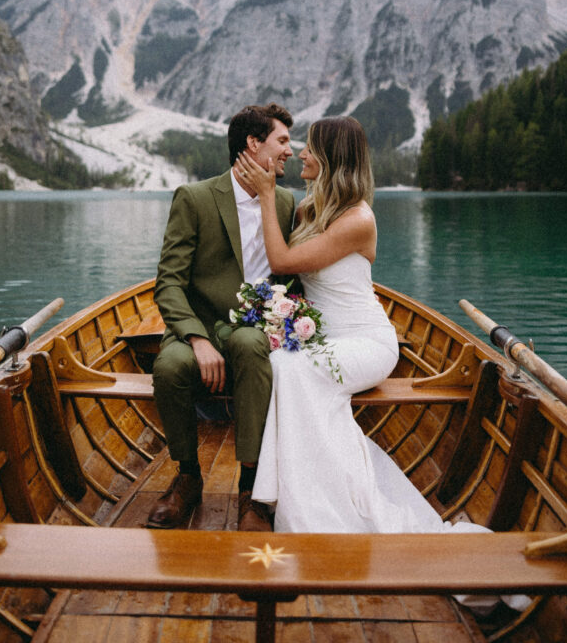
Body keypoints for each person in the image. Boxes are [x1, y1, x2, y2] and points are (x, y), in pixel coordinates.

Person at [236, 115, 530, 615]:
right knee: (287, 365)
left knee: (293, 370)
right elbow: (290, 275)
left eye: (311, 150)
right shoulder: (310, 208)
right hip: (326, 340)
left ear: (330, 159)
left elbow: (284, 262)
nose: (302, 155)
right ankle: (285, 494)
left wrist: (266, 195)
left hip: (368, 343)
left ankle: (274, 499)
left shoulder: (359, 218)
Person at [148, 103, 296, 532]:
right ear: (254, 144)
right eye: (282, 141)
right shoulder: (194, 198)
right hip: (199, 325)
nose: (289, 150)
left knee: (251, 344)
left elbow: (290, 274)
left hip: (252, 331)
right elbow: (168, 283)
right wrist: (196, 338)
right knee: (169, 365)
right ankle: (188, 477)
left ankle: (252, 492)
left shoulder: (285, 203)